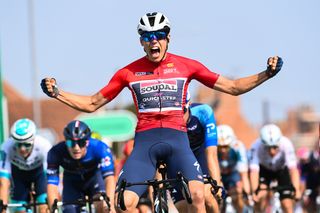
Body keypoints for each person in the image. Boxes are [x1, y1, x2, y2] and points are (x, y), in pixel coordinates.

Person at [40, 11, 283, 213]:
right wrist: (57, 93)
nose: (154, 40)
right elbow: (92, 103)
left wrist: (267, 73)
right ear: (141, 41)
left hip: (178, 141)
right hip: (145, 144)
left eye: (159, 35)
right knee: (123, 203)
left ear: (168, 38)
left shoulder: (187, 66)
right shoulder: (128, 72)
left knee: (198, 197)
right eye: (147, 36)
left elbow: (232, 87)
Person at [168, 91, 222, 213]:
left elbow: (211, 154)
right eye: (174, 114)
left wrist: (216, 184)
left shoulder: (203, 112)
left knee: (208, 196)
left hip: (200, 155)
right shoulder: (165, 121)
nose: (179, 118)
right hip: (176, 160)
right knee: (184, 207)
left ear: (189, 105)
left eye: (182, 111)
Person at [46, 120, 116, 213]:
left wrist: (110, 206)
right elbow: (52, 184)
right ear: (65, 141)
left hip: (94, 178)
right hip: (72, 181)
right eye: (71, 143)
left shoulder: (100, 148)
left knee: (103, 207)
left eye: (81, 143)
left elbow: (109, 178)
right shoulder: (55, 152)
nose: (76, 148)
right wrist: (53, 210)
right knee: (69, 210)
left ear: (87, 142)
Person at [0, 118, 52, 213]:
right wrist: (2, 209)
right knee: (20, 210)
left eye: (27, 144)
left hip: (39, 174)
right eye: (19, 145)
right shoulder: (6, 147)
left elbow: (50, 178)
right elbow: (4, 182)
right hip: (19, 175)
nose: (22, 149)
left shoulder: (44, 145)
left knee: (44, 206)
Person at [249, 124, 301, 213]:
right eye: (268, 148)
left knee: (287, 204)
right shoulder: (256, 146)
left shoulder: (286, 143)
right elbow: (254, 171)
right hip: (265, 170)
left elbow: (293, 170)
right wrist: (254, 191)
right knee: (260, 196)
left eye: (275, 147)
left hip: (282, 170)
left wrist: (296, 189)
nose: (272, 151)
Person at [217, 124, 251, 213]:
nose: (223, 150)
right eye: (220, 147)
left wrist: (247, 194)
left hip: (233, 174)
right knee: (218, 201)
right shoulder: (212, 148)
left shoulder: (238, 147)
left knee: (238, 195)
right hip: (218, 175)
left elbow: (243, 175)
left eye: (226, 146)